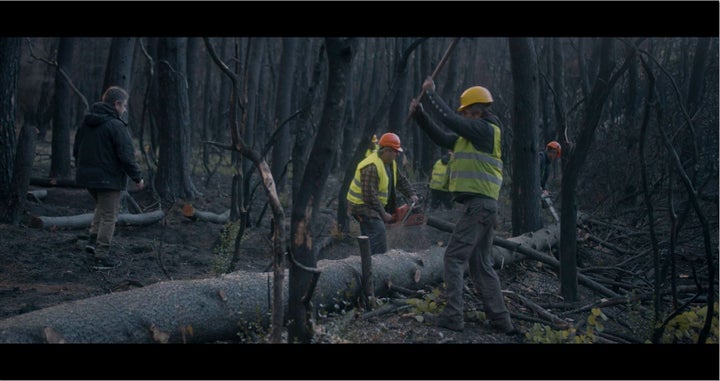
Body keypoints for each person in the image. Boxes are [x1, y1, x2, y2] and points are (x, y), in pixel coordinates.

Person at [409, 78, 518, 335]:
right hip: (483, 208)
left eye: (467, 112)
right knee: (481, 263)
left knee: (454, 257)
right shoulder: (469, 136)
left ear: (478, 110)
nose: (464, 117)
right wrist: (421, 116)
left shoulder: (486, 129)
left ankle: (453, 316)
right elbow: (442, 136)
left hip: (479, 207)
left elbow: (451, 121)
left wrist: (431, 95)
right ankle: (502, 322)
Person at [73, 86, 145, 269]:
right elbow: (126, 155)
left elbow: (76, 149)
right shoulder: (116, 125)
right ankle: (101, 255)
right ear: (117, 104)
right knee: (109, 216)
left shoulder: (86, 123)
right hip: (109, 179)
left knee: (102, 208)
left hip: (88, 178)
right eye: (125, 106)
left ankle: (92, 241)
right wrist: (137, 177)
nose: (125, 110)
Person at [347, 132, 419, 255]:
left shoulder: (390, 163)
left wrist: (411, 194)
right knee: (378, 234)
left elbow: (400, 180)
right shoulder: (371, 166)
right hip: (361, 206)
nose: (397, 154)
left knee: (369, 238)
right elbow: (370, 196)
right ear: (386, 150)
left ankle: (367, 264)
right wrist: (384, 214)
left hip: (371, 205)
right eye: (395, 151)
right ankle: (377, 266)